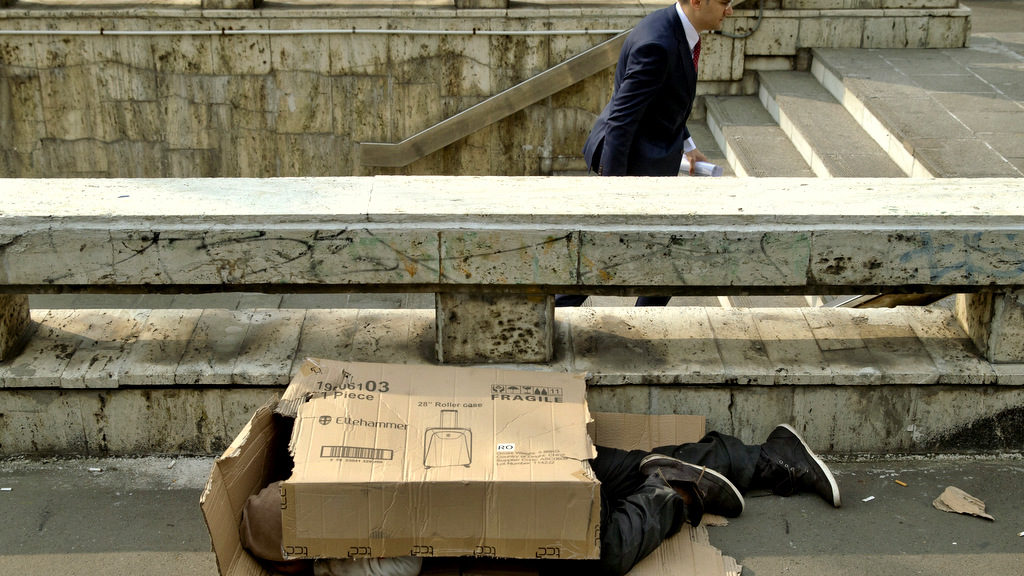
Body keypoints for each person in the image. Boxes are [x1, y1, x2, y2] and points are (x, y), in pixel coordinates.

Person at [239, 423, 839, 576]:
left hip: (513, 468)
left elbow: (403, 563)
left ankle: (673, 495)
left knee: (605, 544)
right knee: (620, 468)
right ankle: (769, 460)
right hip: (514, 450)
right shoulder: (334, 462)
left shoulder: (348, 543)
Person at [558, 0, 734, 308]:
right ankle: (561, 309)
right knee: (623, 259)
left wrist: (689, 148)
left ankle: (638, 322)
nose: (730, 11)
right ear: (697, 2)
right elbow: (622, 121)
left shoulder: (673, 26)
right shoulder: (658, 44)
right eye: (725, 2)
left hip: (646, 163)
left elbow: (664, 103)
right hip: (628, 169)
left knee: (652, 261)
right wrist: (616, 194)